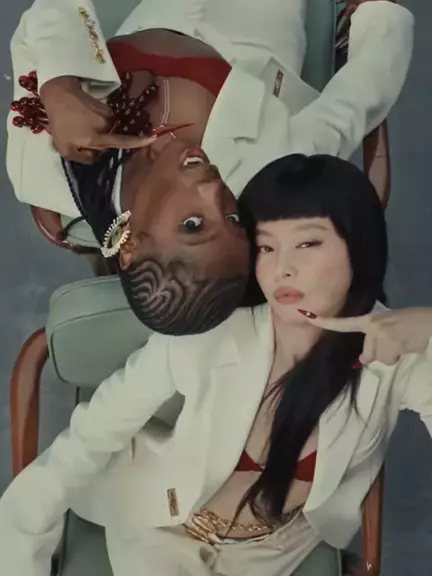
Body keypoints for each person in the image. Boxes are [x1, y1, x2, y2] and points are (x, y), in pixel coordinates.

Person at [2, 153, 432, 576]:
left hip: (274, 550)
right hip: (162, 532)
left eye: (307, 243)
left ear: (359, 245)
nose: (282, 268)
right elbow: (86, 442)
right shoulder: (211, 333)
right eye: (266, 246)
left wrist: (429, 325)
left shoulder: (393, 351)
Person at [7, 0, 414, 336]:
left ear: (130, 247)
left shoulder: (46, 170)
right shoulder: (268, 163)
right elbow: (354, 104)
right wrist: (378, 14)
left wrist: (58, 86)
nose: (214, 191)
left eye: (193, 225)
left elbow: (49, 12)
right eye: (233, 218)